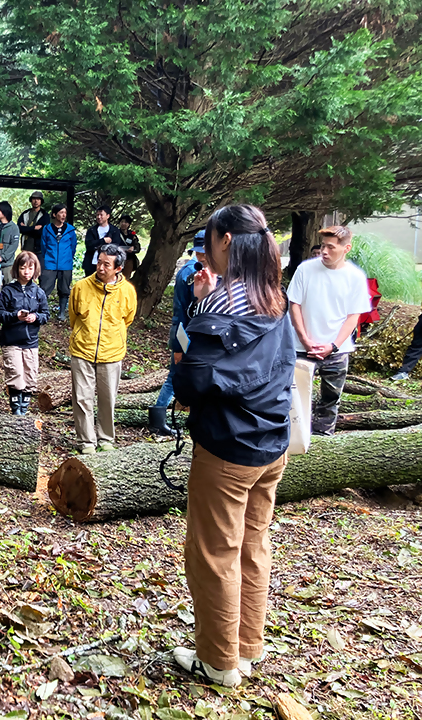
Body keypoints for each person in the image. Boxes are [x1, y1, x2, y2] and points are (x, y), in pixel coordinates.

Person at [171, 204, 297, 688]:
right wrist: (208, 294)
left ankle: (219, 662)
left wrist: (198, 304)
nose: (204, 250)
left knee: (213, 551)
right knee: (253, 544)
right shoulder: (274, 296)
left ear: (226, 241)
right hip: (271, 443)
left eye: (207, 240)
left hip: (227, 448)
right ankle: (247, 647)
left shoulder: (220, 305)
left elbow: (193, 379)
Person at [287, 225, 371, 435]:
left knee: (331, 398)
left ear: (346, 248)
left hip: (337, 349)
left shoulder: (355, 277)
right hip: (300, 346)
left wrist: (333, 346)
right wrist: (305, 339)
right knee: (294, 397)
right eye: (323, 246)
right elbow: (294, 304)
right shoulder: (305, 269)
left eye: (331, 247)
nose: (324, 251)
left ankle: (324, 436)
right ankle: (293, 437)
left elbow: (354, 316)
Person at [68, 244, 137, 453]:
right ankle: (86, 442)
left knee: (108, 399)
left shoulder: (127, 291)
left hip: (112, 352)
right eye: (99, 262)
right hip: (82, 349)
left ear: (118, 268)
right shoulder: (81, 287)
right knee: (82, 398)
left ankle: (106, 438)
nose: (100, 267)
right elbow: (73, 317)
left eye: (106, 264)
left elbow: (128, 319)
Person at [150, 231, 207, 436]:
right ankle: (158, 419)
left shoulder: (192, 269)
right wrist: (178, 346)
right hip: (187, 333)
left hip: (189, 331)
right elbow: (184, 312)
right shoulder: (193, 272)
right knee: (175, 376)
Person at [0, 251, 49, 415]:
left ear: (35, 270)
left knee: (30, 377)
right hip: (11, 341)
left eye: (30, 268)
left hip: (31, 341)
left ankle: (23, 409)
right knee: (16, 375)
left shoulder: (38, 292)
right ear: (16, 269)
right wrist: (15, 316)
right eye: (23, 268)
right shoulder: (8, 291)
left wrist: (36, 317)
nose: (26, 272)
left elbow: (46, 314)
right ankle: (15, 410)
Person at [40, 203, 79, 320]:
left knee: (64, 289)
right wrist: (48, 257)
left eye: (65, 213)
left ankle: (61, 313)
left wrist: (67, 258)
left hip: (65, 264)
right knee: (45, 288)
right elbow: (43, 246)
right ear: (54, 214)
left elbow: (73, 246)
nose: (63, 215)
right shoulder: (47, 229)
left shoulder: (70, 230)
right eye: (61, 212)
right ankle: (43, 311)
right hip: (49, 263)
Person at [82, 206, 122, 277]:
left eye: (101, 215)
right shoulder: (91, 230)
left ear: (108, 216)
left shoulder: (115, 231)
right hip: (92, 263)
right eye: (97, 215)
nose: (99, 217)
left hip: (108, 264)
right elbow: (89, 245)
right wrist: (102, 241)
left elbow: (116, 246)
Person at [17, 191, 48, 264]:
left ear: (41, 201)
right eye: (34, 199)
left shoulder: (44, 215)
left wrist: (26, 228)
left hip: (39, 249)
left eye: (38, 199)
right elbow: (19, 229)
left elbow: (41, 232)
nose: (36, 201)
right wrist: (34, 228)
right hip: (26, 247)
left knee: (38, 271)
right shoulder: (25, 214)